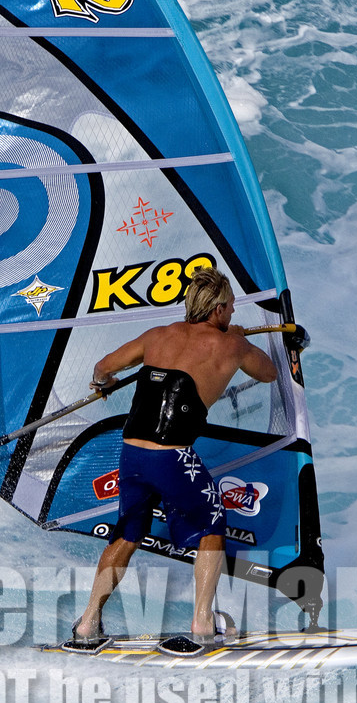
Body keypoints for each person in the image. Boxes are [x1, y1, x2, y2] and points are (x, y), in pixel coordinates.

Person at [67, 267, 280, 655]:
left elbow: (104, 367)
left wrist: (103, 385)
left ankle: (87, 623)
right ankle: (202, 622)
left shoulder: (158, 335)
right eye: (230, 307)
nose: (233, 313)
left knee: (127, 534)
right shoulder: (229, 344)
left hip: (131, 453)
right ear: (217, 308)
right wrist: (239, 339)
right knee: (212, 524)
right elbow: (269, 373)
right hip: (171, 456)